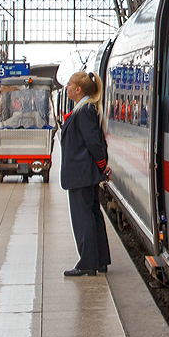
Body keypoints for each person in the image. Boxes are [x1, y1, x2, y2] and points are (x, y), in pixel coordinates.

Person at [60, 70, 111, 277]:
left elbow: (93, 142)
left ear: (78, 90)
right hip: (84, 173)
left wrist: (102, 165)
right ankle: (99, 260)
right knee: (93, 214)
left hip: (81, 173)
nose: (67, 88)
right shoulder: (85, 108)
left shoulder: (84, 110)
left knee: (83, 218)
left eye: (70, 85)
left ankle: (87, 263)